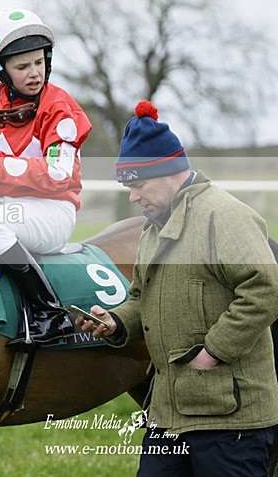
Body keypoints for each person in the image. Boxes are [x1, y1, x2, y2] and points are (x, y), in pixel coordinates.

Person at [76, 100, 278, 476]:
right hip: (167, 415)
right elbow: (142, 299)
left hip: (230, 421)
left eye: (138, 185)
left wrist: (214, 351)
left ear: (170, 172)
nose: (133, 196)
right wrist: (116, 321)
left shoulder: (225, 216)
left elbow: (266, 288)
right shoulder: (153, 229)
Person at [0, 8, 92, 342]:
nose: (34, 73)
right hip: (3, 208)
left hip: (53, 211)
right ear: (1, 70)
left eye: (39, 62)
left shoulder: (59, 108)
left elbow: (58, 173)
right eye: (23, 67)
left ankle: (49, 311)